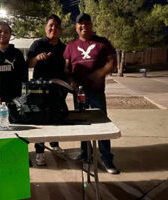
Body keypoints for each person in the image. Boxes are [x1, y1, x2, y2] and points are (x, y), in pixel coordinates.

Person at [63, 13, 119, 174]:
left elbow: (112, 63)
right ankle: (85, 154)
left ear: (91, 26)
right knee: (82, 123)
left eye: (87, 23)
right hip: (78, 93)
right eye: (80, 24)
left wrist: (99, 74)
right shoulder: (70, 46)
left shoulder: (102, 42)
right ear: (76, 27)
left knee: (102, 124)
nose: (84, 26)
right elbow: (66, 68)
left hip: (96, 92)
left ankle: (107, 158)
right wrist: (70, 80)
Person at [27, 14, 66, 166]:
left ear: (60, 29)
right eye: (51, 25)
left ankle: (55, 145)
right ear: (46, 27)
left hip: (58, 91)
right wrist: (37, 58)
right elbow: (29, 63)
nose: (53, 28)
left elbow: (68, 68)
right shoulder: (37, 44)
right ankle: (40, 152)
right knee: (41, 121)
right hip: (39, 91)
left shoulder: (64, 47)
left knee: (57, 118)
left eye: (56, 26)